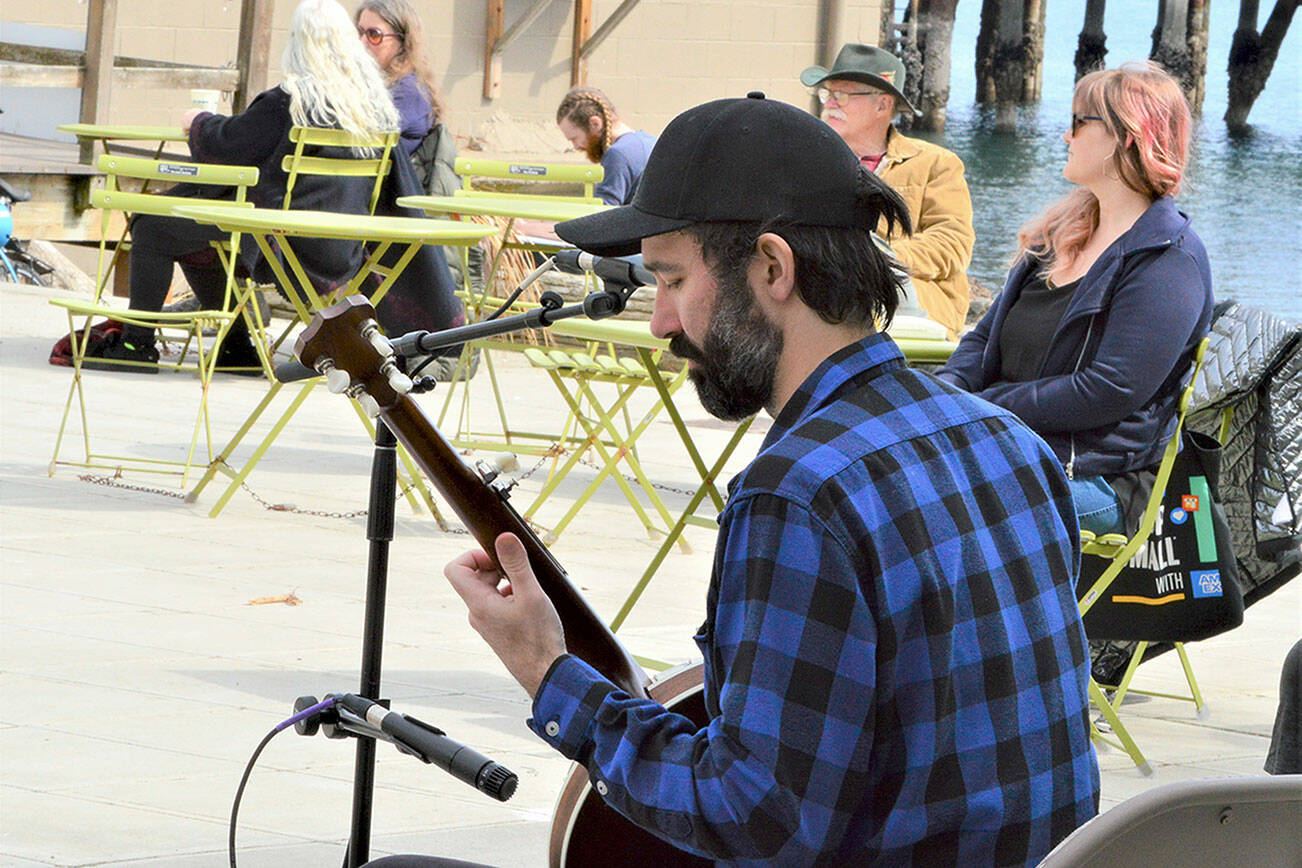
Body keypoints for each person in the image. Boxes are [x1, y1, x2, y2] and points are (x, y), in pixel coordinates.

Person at [378, 94, 1099, 866]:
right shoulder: (1008, 441)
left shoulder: (799, 493)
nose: (660, 321)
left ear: (772, 267)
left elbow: (756, 819)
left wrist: (546, 671)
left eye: (672, 280)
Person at [82, 0, 464, 373]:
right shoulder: (374, 107)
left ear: (297, 43)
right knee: (204, 232)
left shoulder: (292, 101)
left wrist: (198, 121)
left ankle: (136, 345)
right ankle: (234, 347)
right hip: (345, 248)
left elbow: (228, 143)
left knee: (153, 224)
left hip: (283, 245)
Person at [935, 62, 1213, 538]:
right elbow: (983, 338)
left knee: (923, 503)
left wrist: (981, 408)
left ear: (1128, 137)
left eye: (1079, 122)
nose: (1065, 135)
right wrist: (945, 391)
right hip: (1002, 442)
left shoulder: (1169, 259)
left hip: (1094, 477)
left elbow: (1107, 389)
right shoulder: (1061, 232)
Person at [800, 43, 975, 339]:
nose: (830, 104)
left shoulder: (937, 164)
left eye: (843, 95)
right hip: (827, 308)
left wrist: (872, 257)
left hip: (911, 314)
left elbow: (952, 244)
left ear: (882, 105)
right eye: (828, 94)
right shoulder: (809, 163)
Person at [555, 86, 655, 207]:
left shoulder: (618, 155)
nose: (576, 147)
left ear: (595, 124)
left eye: (574, 139)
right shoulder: (651, 142)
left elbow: (603, 210)